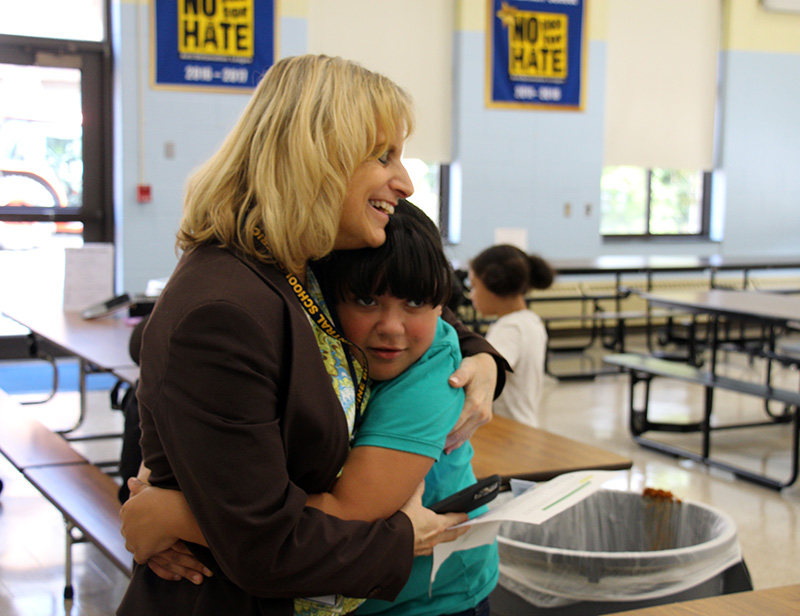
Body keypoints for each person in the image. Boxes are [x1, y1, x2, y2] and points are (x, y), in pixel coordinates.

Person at [116, 54, 506, 616]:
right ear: (315, 156)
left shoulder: (293, 267)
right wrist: (405, 536)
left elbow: (410, 305)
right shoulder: (228, 307)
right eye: (383, 156)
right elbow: (263, 545)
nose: (405, 181)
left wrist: (479, 351)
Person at [468, 245, 555, 427]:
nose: (471, 295)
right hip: (525, 424)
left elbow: (486, 374)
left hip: (509, 430)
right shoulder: (531, 320)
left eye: (475, 286)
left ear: (495, 284)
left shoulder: (510, 328)